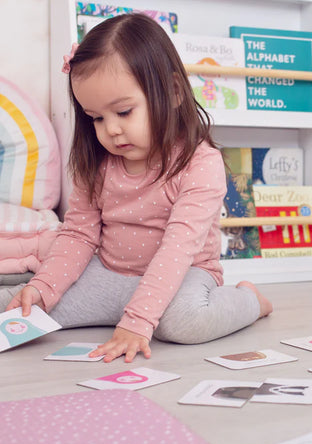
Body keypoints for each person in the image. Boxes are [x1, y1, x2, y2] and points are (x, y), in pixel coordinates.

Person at [2, 13, 272, 363]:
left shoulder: (200, 164)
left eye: (124, 112)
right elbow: (79, 235)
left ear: (173, 92)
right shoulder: (97, 162)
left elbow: (178, 249)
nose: (110, 130)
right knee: (29, 306)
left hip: (183, 275)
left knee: (181, 323)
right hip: (111, 273)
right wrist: (43, 288)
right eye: (96, 118)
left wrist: (138, 322)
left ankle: (251, 301)